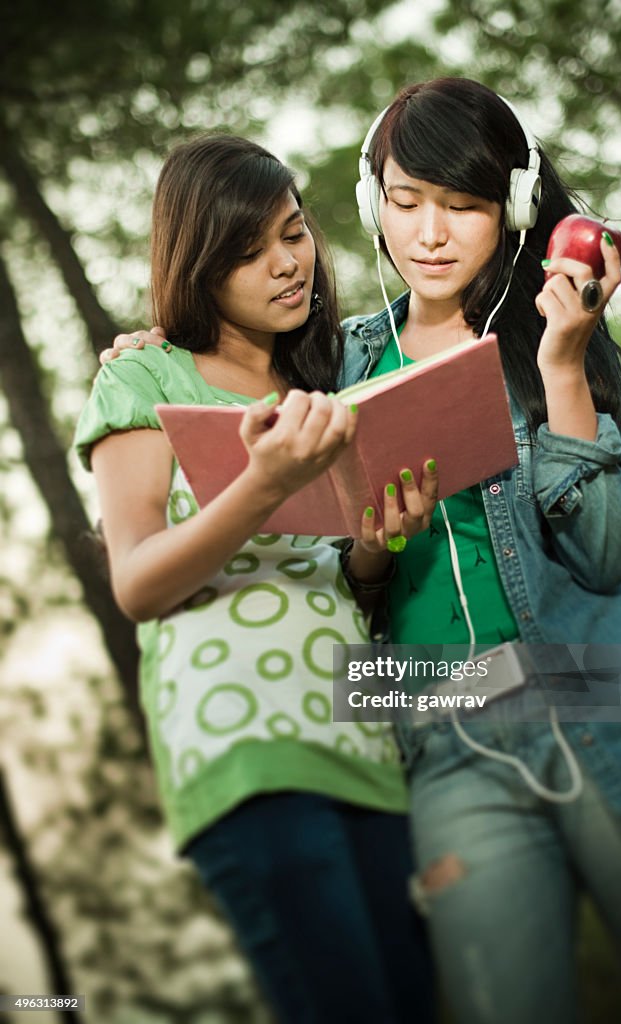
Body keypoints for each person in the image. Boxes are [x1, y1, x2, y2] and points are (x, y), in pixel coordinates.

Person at [101, 80, 621, 1023]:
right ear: (372, 206)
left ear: (513, 211)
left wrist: (563, 369)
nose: (430, 235)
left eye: (464, 207)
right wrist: (159, 339)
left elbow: (608, 555)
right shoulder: (335, 364)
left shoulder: (560, 336)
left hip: (606, 699)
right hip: (444, 739)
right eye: (406, 204)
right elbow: (335, 570)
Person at [74, 134, 437, 1024]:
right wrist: (262, 484)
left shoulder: (324, 384)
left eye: (292, 233)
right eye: (247, 253)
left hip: (361, 753)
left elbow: (344, 585)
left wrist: (376, 544)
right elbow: (138, 582)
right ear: (197, 268)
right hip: (245, 755)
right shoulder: (145, 375)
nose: (285, 265)